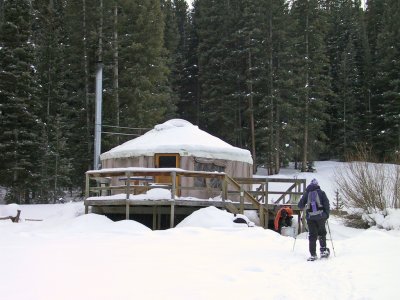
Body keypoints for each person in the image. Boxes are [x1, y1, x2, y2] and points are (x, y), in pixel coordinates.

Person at [298, 178, 330, 261]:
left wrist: (304, 206)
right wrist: (326, 215)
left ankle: (313, 254)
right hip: (321, 217)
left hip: (310, 218)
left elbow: (300, 205)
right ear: (317, 185)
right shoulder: (322, 193)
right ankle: (323, 251)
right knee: (322, 233)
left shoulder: (307, 193)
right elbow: (326, 204)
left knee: (312, 235)